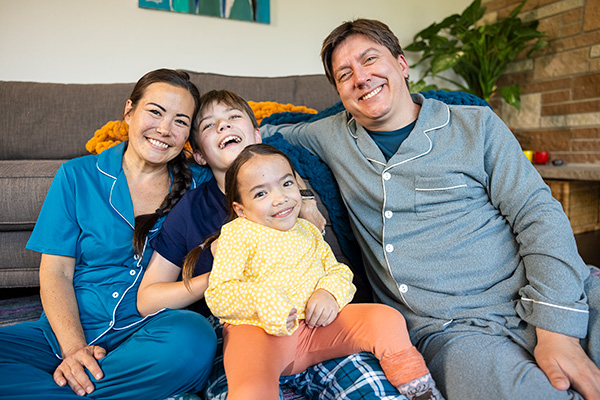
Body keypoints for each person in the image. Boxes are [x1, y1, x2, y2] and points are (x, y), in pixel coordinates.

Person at [259, 18, 600, 400]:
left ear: (402, 65)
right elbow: (259, 130)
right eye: (344, 74)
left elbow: (539, 215)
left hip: (547, 286)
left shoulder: (477, 125)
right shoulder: (329, 135)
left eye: (370, 59)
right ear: (339, 92)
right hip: (451, 331)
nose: (360, 77)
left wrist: (557, 329)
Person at [137, 89, 410, 400]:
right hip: (239, 333)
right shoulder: (191, 209)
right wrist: (224, 280)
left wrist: (306, 201)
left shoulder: (296, 196)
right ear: (199, 155)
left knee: (375, 389)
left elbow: (332, 269)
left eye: (233, 117)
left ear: (257, 134)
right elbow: (148, 300)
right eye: (210, 125)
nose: (224, 126)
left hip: (315, 321)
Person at [0, 69, 217, 399]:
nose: (164, 129)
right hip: (64, 331)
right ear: (129, 111)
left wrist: (302, 195)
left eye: (180, 121)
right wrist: (74, 349)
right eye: (155, 112)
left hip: (151, 332)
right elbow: (56, 272)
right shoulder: (76, 175)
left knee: (195, 338)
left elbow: (258, 169)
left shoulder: (201, 185)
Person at [190, 143, 442, 400]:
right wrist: (265, 302)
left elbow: (338, 271)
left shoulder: (307, 231)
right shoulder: (238, 234)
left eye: (286, 184)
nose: (280, 198)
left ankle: (420, 390)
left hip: (315, 330)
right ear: (240, 209)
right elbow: (219, 294)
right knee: (251, 389)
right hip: (258, 335)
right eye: (261, 194)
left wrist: (329, 292)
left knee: (386, 319)